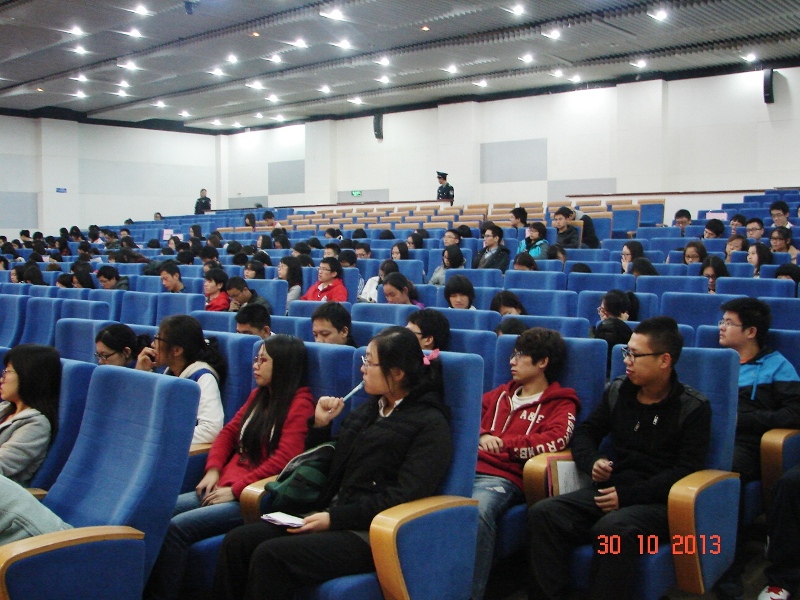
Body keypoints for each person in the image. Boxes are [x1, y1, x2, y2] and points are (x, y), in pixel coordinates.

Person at [213, 327, 452, 600]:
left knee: (271, 556)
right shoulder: (369, 410)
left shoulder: (430, 423)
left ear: (397, 373)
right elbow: (331, 462)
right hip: (331, 512)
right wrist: (320, 426)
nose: (362, 369)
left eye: (370, 362)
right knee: (238, 542)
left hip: (370, 531)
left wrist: (334, 519)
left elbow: (405, 494)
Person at [527, 317, 711, 600]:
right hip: (612, 490)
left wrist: (627, 496)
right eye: (627, 352)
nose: (627, 361)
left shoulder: (692, 407)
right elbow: (587, 432)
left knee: (612, 530)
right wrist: (592, 461)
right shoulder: (618, 391)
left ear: (664, 360)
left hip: (660, 503)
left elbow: (686, 470)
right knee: (544, 514)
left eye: (635, 355)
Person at [145, 335, 315, 600]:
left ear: (283, 365)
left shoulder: (300, 405)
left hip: (255, 496)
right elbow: (228, 433)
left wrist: (236, 490)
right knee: (158, 511)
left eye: (263, 360)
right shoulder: (259, 396)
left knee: (177, 527)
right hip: (226, 483)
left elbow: (284, 460)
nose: (255, 365)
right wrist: (213, 469)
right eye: (256, 359)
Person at [471, 328, 579, 600]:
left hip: (504, 478)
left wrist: (503, 445)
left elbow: (556, 439)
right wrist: (482, 435)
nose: (512, 361)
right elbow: (465, 415)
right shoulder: (499, 395)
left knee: (477, 510)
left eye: (520, 356)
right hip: (468, 468)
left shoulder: (561, 403)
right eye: (512, 355)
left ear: (543, 362)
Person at [716, 298, 800, 600]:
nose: (721, 327)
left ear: (751, 331)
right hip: (707, 436)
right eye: (722, 321)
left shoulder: (777, 365)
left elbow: (794, 413)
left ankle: (729, 567)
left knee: (725, 472)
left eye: (729, 323)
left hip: (748, 444)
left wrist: (746, 419)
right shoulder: (715, 362)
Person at [136, 315, 225, 444]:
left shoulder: (203, 378)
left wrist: (161, 437)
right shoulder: (169, 373)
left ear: (177, 350)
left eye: (157, 339)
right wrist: (141, 374)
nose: (152, 345)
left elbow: (211, 430)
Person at [0, 345, 61, 485]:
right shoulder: (5, 408)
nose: (1, 379)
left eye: (7, 372)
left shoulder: (36, 425)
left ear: (28, 376)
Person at [593, 289, 633, 376]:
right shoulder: (595, 331)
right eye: (601, 310)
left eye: (603, 310)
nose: (603, 316)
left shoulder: (629, 334)